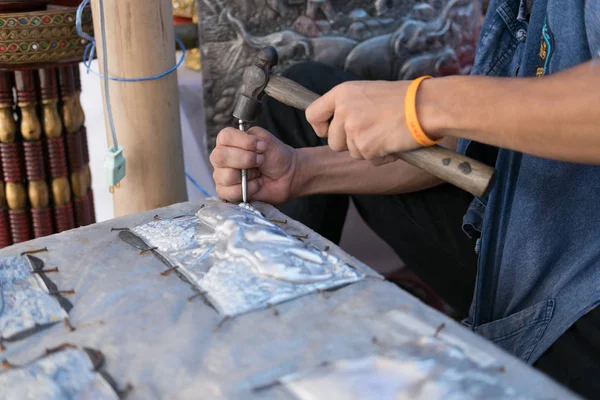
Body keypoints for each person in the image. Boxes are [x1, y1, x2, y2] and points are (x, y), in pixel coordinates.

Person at [209, 0, 600, 397]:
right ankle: (267, 338)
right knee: (305, 92)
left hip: (582, 299)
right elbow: (477, 134)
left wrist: (425, 104)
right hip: (518, 226)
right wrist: (301, 170)